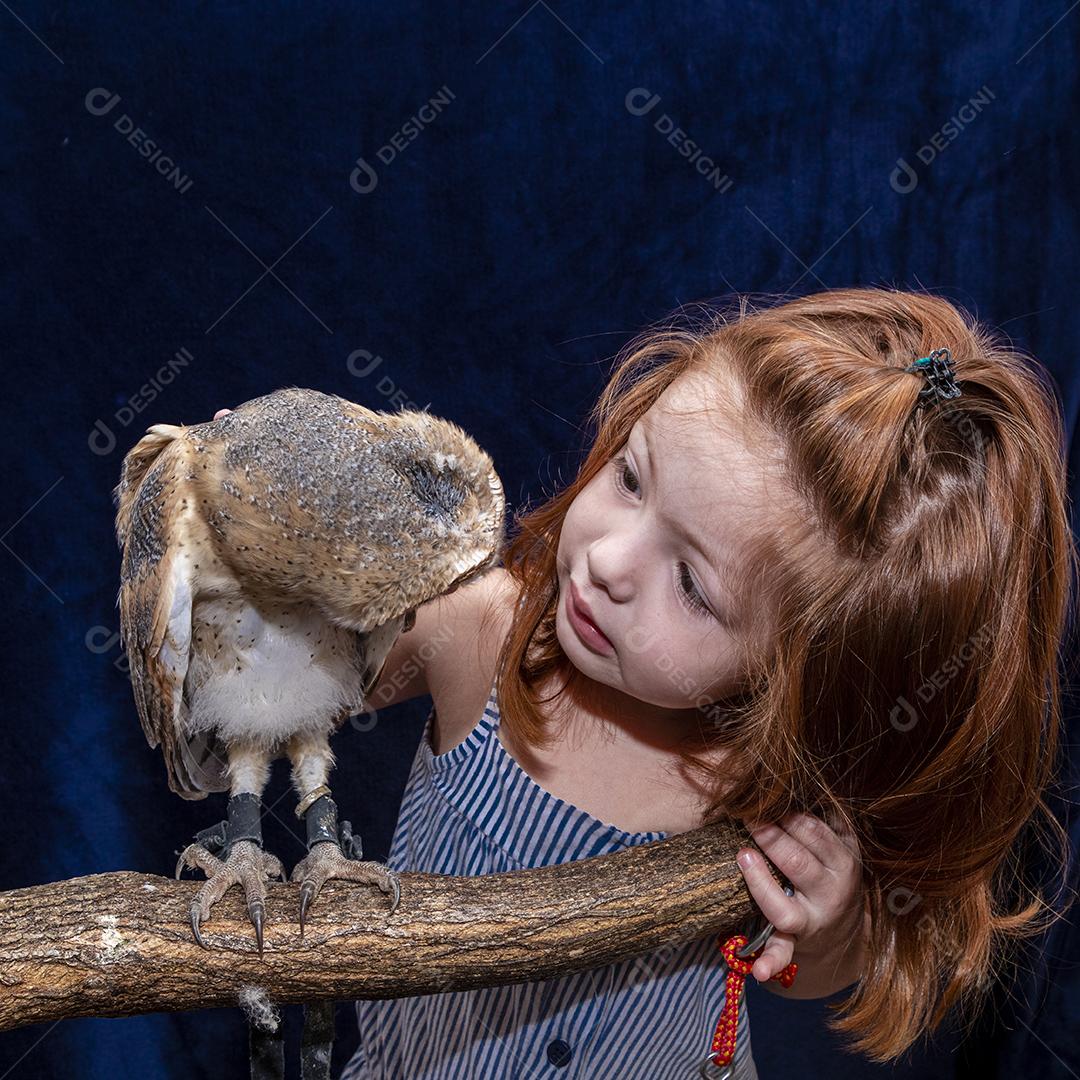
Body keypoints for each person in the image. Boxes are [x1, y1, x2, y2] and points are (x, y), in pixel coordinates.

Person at [218, 286, 1079, 1078]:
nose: (608, 561)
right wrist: (243, 548)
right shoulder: (484, 635)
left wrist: (828, 925)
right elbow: (284, 687)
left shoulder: (773, 783)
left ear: (800, 669)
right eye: (632, 478)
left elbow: (810, 973)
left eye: (694, 587)